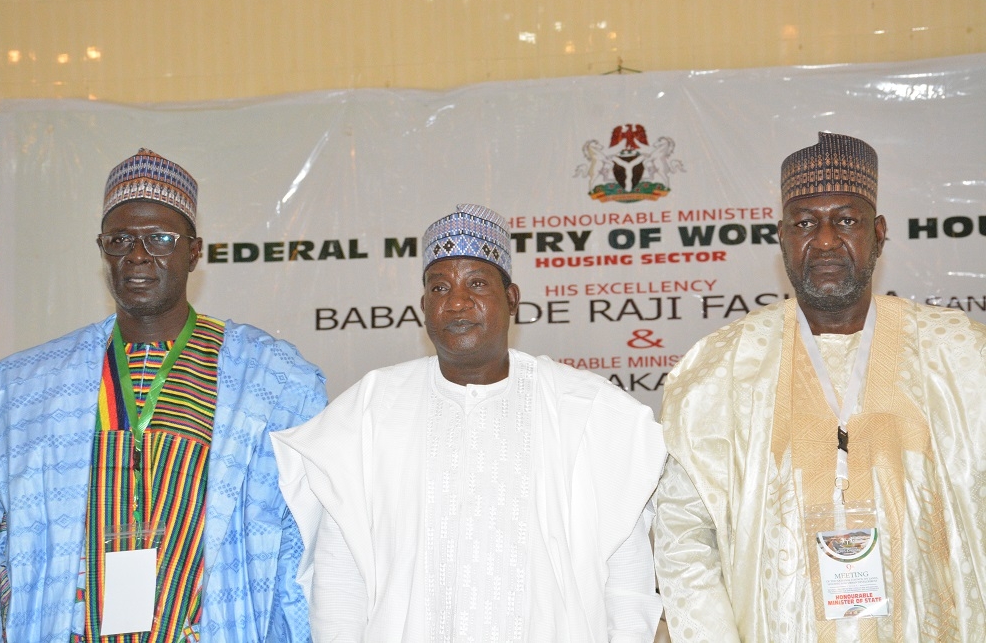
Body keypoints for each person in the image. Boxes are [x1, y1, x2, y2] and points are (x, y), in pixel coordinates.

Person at [272, 203, 667, 641]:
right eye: (439, 288)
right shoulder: (368, 411)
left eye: (476, 283)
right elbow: (339, 579)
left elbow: (628, 581)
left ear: (512, 298)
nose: (457, 301)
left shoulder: (589, 411)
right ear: (424, 306)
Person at [653, 132, 986, 641]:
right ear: (781, 237)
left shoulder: (959, 353)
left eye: (846, 220)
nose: (826, 240)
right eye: (805, 223)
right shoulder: (722, 368)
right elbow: (684, 535)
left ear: (878, 233)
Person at [0, 149, 328, 641]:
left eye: (161, 239)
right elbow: (8, 543)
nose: (138, 255)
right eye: (119, 239)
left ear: (194, 251)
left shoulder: (271, 381)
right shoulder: (30, 388)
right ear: (101, 249)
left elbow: (302, 547)